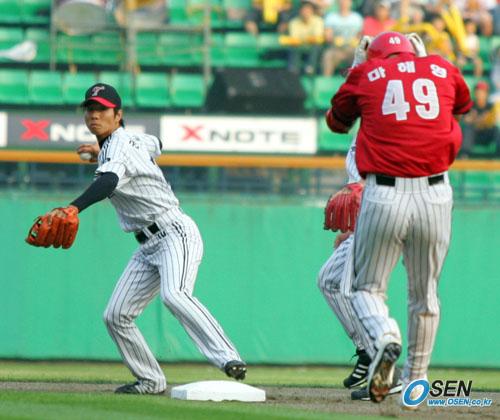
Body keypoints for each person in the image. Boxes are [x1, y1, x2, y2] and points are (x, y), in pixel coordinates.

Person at [62, 83, 246, 394]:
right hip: (147, 246)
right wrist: (99, 151)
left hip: (175, 232)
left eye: (102, 109)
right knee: (116, 315)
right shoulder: (130, 140)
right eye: (90, 109)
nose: (94, 115)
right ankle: (150, 380)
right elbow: (156, 143)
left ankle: (229, 357)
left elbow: (108, 181)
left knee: (175, 294)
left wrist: (74, 207)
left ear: (118, 115)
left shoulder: (118, 145)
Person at [325, 31, 472, 405]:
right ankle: (415, 384)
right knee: (425, 295)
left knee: (366, 289)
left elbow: (337, 122)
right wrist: (423, 63)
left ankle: (385, 336)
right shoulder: (442, 67)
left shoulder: (366, 74)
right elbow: (461, 106)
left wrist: (359, 67)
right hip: (436, 192)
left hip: (385, 192)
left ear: (373, 56)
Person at [321, 0, 363, 76]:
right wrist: (334, 40)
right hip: (336, 49)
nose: (344, 3)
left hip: (352, 49)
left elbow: (360, 36)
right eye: (342, 1)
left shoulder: (357, 18)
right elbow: (328, 36)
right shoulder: (331, 17)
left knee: (360, 56)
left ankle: (358, 80)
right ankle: (326, 79)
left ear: (350, 3)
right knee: (328, 56)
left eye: (346, 1)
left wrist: (356, 40)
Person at [461, 81, 500, 156]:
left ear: (486, 94)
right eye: (478, 92)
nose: (480, 94)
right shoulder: (470, 105)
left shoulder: (491, 106)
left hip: (486, 134)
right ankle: (464, 154)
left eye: (482, 92)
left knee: (496, 129)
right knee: (468, 129)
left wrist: (477, 119)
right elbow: (466, 120)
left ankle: (498, 154)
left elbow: (492, 121)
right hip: (474, 136)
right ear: (475, 93)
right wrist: (480, 119)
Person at [286, 1, 324, 74]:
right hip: (299, 46)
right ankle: (293, 70)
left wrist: (304, 40)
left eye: (308, 10)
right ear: (300, 11)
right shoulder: (294, 22)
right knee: (293, 47)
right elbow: (294, 39)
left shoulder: (318, 21)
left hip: (312, 47)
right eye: (304, 10)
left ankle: (310, 69)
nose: (306, 12)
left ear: (312, 11)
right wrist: (306, 39)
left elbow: (317, 37)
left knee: (316, 46)